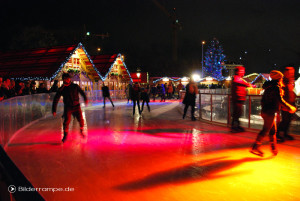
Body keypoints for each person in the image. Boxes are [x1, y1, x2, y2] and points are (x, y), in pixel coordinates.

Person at [250, 70, 296, 157]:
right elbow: (280, 100)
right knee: (266, 130)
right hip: (270, 112)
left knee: (272, 130)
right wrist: (290, 107)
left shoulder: (269, 87)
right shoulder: (276, 87)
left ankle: (273, 148)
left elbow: (268, 100)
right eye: (281, 78)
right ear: (279, 78)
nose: (282, 79)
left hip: (266, 111)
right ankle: (255, 147)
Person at [52, 73, 88, 143]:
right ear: (63, 80)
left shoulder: (75, 86)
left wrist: (85, 98)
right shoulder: (61, 89)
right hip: (68, 107)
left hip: (76, 106)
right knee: (66, 122)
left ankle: (81, 131)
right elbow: (56, 99)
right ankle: (65, 135)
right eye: (65, 79)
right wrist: (54, 110)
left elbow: (82, 92)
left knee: (81, 120)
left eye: (68, 78)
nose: (67, 80)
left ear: (69, 79)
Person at [231, 66, 255, 132]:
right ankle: (234, 127)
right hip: (237, 98)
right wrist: (249, 85)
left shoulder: (239, 78)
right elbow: (239, 82)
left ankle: (236, 126)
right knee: (237, 113)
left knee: (238, 113)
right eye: (242, 71)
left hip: (239, 98)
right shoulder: (236, 77)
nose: (243, 73)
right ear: (237, 72)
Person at [277, 67, 297, 141]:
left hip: (291, 102)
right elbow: (283, 93)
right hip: (285, 103)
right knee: (285, 120)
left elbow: (291, 91)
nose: (292, 74)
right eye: (290, 72)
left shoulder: (291, 80)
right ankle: (278, 134)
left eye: (292, 72)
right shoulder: (283, 81)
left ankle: (285, 133)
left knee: (288, 120)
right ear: (286, 73)